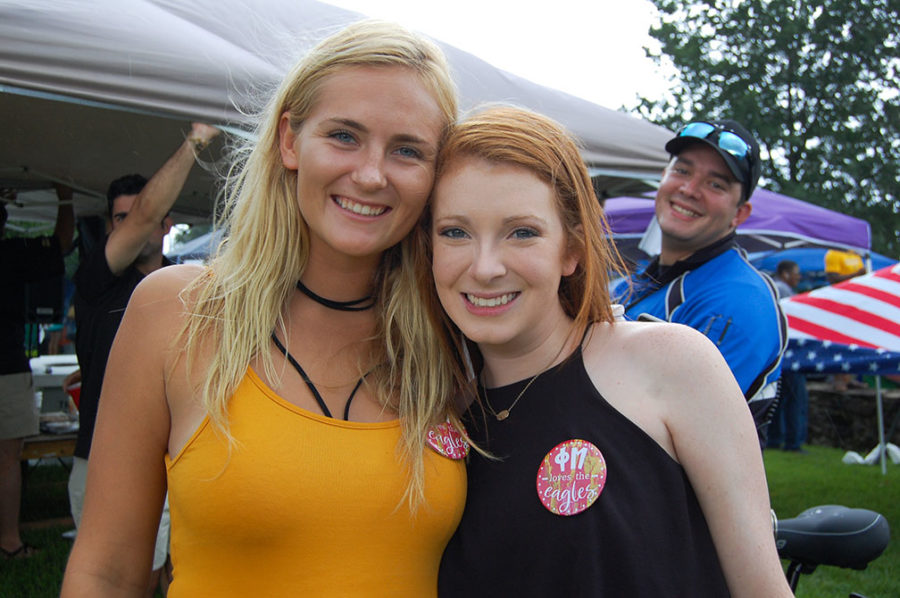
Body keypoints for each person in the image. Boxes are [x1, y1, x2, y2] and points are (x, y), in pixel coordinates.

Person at [61, 20, 466, 597]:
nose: (372, 174)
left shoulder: (454, 337)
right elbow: (105, 572)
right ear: (289, 141)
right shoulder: (176, 313)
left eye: (407, 150)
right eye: (344, 136)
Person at [425, 106, 792, 596]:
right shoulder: (435, 412)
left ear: (572, 249)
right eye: (455, 231)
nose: (485, 266)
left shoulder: (675, 360)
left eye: (523, 232)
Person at [68, 122, 220, 594]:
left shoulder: (192, 287)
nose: (129, 224)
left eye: (140, 214)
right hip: (108, 460)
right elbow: (143, 217)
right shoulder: (98, 280)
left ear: (166, 225)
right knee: (129, 578)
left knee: (185, 573)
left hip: (185, 458)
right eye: (119, 218)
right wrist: (196, 140)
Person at [614, 118, 787, 447]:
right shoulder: (633, 284)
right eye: (682, 170)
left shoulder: (738, 299)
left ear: (740, 214)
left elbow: (654, 439)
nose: (689, 190)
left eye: (716, 184)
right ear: (663, 179)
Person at [0, 186, 73, 559]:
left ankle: (10, 541)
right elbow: (60, 243)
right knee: (8, 457)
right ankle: (9, 542)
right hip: (7, 368)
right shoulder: (11, 254)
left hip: (9, 367)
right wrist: (65, 197)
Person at [767, 260, 809, 453]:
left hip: (778, 355)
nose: (798, 277)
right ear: (784, 273)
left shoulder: (775, 287)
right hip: (790, 356)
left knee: (779, 400)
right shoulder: (783, 290)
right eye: (796, 273)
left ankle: (775, 439)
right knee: (795, 400)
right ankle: (793, 442)